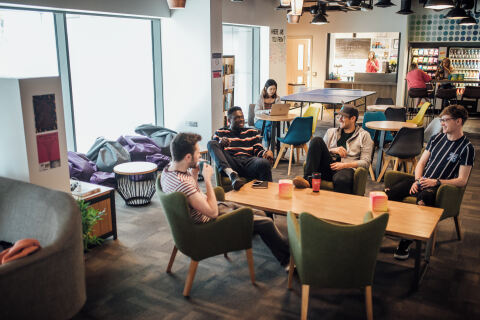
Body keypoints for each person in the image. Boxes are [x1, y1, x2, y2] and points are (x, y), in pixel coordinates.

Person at [161, 132, 290, 267]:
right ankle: (288, 261)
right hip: (210, 225)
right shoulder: (183, 183)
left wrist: (193, 174)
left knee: (260, 214)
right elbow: (212, 213)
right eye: (198, 153)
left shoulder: (168, 170)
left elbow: (190, 195)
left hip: (208, 211)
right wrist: (207, 179)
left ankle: (248, 233)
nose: (200, 156)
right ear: (188, 157)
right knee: (267, 222)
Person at [385, 105, 474, 260]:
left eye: (445, 120)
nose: (442, 124)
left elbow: (462, 180)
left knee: (425, 197)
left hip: (440, 188)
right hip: (422, 180)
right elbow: (421, 164)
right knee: (389, 193)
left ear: (458, 121)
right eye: (441, 120)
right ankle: (390, 228)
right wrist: (418, 180)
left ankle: (407, 241)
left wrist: (436, 182)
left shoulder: (467, 148)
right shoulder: (436, 138)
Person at [294, 105, 373, 194]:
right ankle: (307, 180)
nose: (339, 120)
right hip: (329, 166)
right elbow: (320, 152)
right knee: (316, 141)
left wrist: (344, 165)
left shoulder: (364, 135)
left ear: (353, 118)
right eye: (339, 116)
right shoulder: (331, 132)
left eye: (343, 117)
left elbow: (366, 162)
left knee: (341, 179)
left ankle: (337, 206)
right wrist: (332, 150)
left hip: (346, 169)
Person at [208, 106, 274, 191]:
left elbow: (258, 150)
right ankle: (232, 174)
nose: (241, 119)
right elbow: (215, 150)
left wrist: (266, 153)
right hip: (231, 163)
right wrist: (221, 145)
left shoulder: (251, 132)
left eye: (242, 117)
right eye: (237, 118)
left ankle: (264, 194)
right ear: (229, 121)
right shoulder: (220, 132)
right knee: (211, 143)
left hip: (248, 162)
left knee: (264, 163)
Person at [254, 79, 281, 144]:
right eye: (271, 89)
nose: (272, 91)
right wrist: (267, 111)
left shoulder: (277, 98)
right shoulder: (261, 98)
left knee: (268, 126)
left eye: (274, 89)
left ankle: (267, 144)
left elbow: (279, 109)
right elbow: (256, 111)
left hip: (271, 121)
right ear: (266, 88)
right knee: (270, 125)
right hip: (259, 120)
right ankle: (272, 143)